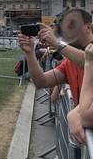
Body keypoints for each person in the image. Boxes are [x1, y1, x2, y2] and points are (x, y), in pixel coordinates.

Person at [18, 8, 93, 145]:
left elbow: (88, 61)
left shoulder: (81, 56)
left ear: (87, 27)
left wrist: (57, 43)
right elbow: (41, 81)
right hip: (82, 140)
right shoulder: (70, 61)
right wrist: (30, 54)